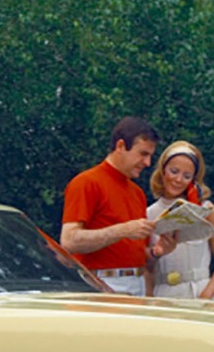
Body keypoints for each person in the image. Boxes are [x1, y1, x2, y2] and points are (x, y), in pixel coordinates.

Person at [60, 117, 159, 296]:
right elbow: (69, 241)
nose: (147, 163)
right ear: (120, 146)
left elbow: (133, 253)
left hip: (138, 283)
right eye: (143, 154)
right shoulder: (86, 183)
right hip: (100, 284)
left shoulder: (137, 193)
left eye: (150, 156)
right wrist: (123, 230)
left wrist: (157, 251)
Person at [146, 139, 214, 300]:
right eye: (174, 171)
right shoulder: (149, 214)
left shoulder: (206, 210)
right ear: (163, 170)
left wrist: (207, 295)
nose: (178, 180)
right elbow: (146, 268)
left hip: (200, 293)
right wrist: (149, 300)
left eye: (186, 176)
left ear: (193, 179)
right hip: (163, 296)